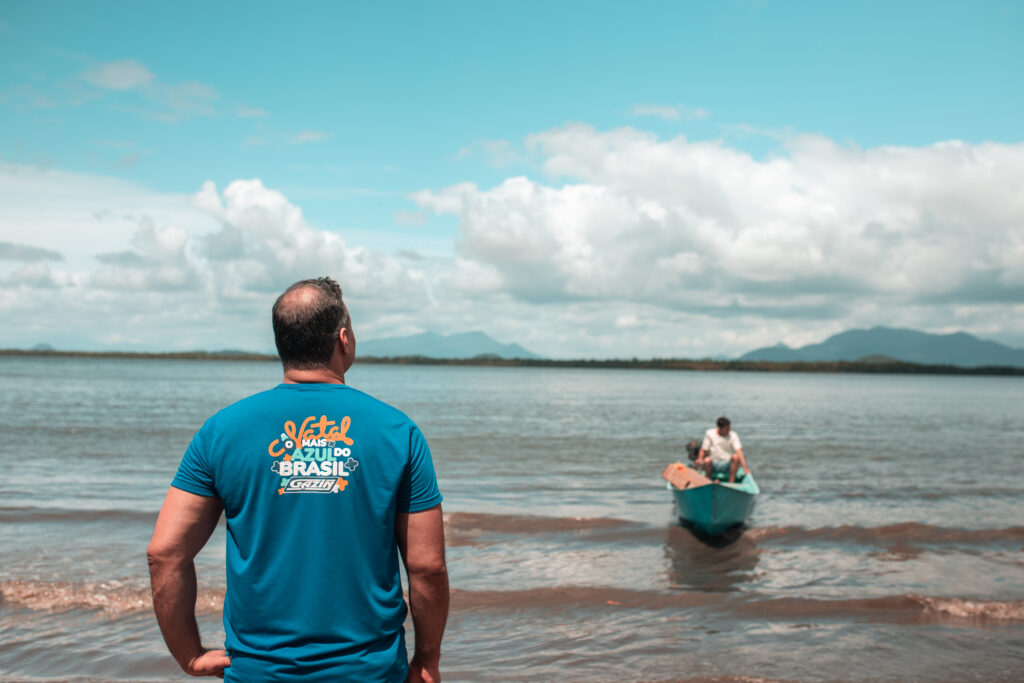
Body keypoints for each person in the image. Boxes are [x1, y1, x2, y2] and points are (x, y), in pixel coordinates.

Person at [147, 277, 448, 682]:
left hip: (257, 671)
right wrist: (426, 660)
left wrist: (190, 654)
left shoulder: (222, 430)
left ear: (282, 343)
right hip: (370, 672)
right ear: (343, 338)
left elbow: (165, 554)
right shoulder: (397, 431)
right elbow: (426, 567)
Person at [696, 416, 749, 483]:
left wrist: (745, 468)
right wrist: (700, 458)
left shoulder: (733, 435)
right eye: (726, 429)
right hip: (713, 464)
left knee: (736, 457)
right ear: (720, 428)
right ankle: (708, 482)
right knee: (707, 460)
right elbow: (704, 449)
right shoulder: (710, 433)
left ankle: (731, 483)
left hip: (727, 464)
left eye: (729, 428)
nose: (728, 430)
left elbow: (739, 452)